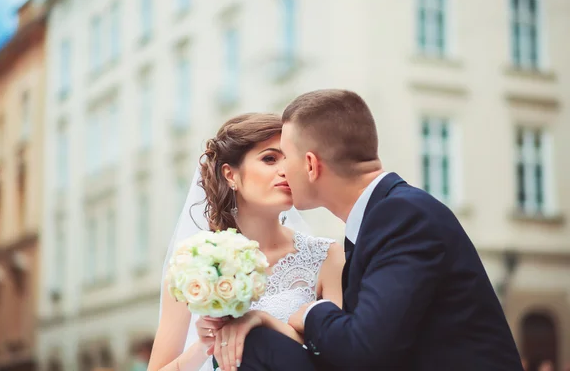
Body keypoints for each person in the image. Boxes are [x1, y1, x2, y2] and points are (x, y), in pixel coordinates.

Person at [239, 89, 524, 370]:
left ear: (311, 165)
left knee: (259, 348)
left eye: (285, 157)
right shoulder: (383, 217)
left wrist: (313, 312)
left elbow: (365, 348)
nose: (283, 171)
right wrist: (265, 321)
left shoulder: (403, 216)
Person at [148, 113, 344, 371]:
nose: (285, 171)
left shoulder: (327, 256)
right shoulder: (193, 264)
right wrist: (205, 345)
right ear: (230, 175)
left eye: (290, 158)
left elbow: (341, 356)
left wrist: (264, 320)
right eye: (270, 158)